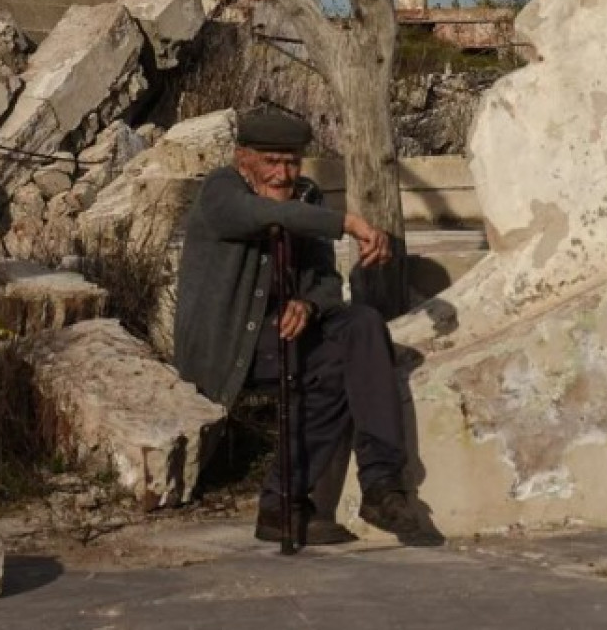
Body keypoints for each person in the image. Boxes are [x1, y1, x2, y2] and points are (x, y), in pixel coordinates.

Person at [173, 107, 426, 545]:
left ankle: (382, 486)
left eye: (291, 162)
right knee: (330, 371)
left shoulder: (306, 196)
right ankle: (280, 503)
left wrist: (308, 305)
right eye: (272, 162)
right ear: (243, 158)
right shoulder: (220, 190)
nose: (283, 174)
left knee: (362, 325)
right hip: (230, 348)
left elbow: (327, 281)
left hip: (286, 339)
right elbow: (258, 216)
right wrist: (346, 223)